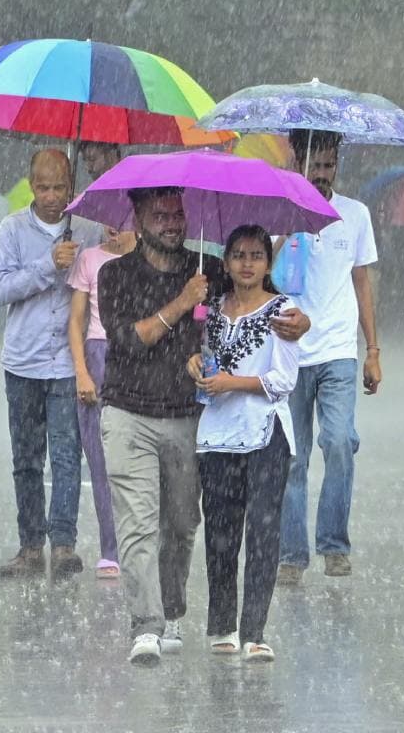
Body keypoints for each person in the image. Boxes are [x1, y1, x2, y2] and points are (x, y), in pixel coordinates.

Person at [97, 186, 310, 666]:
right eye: (160, 215)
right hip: (127, 412)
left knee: (182, 524)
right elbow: (130, 340)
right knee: (137, 524)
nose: (172, 223)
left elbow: (259, 300)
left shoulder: (209, 268)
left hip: (187, 418)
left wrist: (303, 324)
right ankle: (146, 626)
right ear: (138, 219)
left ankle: (174, 611)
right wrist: (181, 302)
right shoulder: (116, 274)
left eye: (178, 214)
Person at [0, 149, 103, 580]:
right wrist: (47, 264)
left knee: (68, 457)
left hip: (68, 363)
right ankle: (30, 545)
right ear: (31, 185)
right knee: (26, 458)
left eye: (59, 187)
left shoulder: (88, 230)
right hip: (23, 362)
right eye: (43, 188)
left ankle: (64, 543)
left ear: (71, 186)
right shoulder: (13, 228)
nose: (52, 196)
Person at [188, 225, 299, 664]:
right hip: (217, 433)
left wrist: (233, 383)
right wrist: (195, 364)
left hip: (265, 432)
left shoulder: (284, 311)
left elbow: (283, 380)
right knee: (220, 533)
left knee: (263, 531)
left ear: (268, 263)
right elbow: (202, 358)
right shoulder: (211, 308)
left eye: (256, 255)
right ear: (227, 261)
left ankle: (255, 630)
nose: (247, 264)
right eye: (238, 255)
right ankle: (222, 624)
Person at [278, 128, 380, 586]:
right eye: (313, 166)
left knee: (339, 442)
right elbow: (261, 273)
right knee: (292, 457)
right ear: (295, 163)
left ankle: (334, 544)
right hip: (289, 352)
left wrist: (372, 350)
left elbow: (362, 283)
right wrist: (290, 225)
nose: (321, 174)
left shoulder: (355, 214)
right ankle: (291, 554)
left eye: (328, 166)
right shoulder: (278, 210)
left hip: (339, 350)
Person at [67, 226, 137, 579]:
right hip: (97, 356)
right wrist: (81, 371)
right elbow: (76, 321)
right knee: (99, 460)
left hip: (138, 357)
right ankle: (111, 548)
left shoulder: (150, 260)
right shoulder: (90, 259)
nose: (114, 227)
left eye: (123, 219)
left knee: (138, 459)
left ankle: (141, 545)